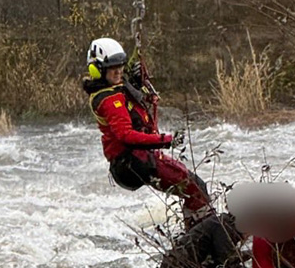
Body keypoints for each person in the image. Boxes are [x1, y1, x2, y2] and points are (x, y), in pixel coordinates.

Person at [83, 37, 215, 229]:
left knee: (195, 188)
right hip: (134, 162)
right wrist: (165, 140)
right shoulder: (110, 100)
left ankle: (197, 234)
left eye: (120, 68)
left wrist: (140, 83)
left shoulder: (114, 87)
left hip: (139, 159)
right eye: (114, 70)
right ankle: (202, 238)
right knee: (196, 189)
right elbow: (126, 136)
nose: (119, 73)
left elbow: (137, 100)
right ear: (98, 71)